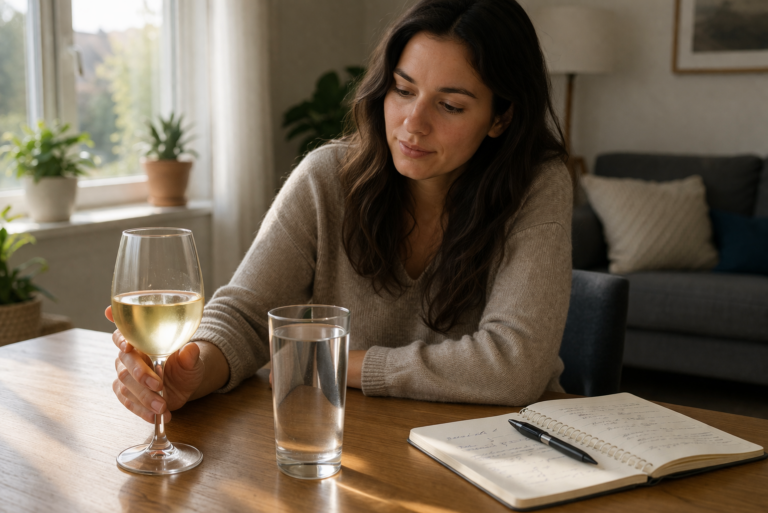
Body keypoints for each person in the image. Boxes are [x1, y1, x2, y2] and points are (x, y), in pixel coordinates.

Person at [107, 0, 572, 425]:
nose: (413, 122)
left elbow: (514, 366)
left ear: (501, 117)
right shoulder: (326, 176)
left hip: (501, 450)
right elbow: (246, 315)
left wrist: (328, 359)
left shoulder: (538, 186)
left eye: (449, 105)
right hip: (359, 440)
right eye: (403, 89)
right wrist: (194, 371)